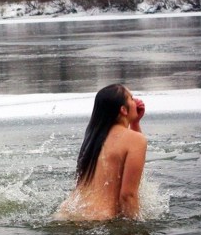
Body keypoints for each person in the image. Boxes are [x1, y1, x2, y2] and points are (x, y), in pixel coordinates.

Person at [54, 84, 147, 221]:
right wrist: (137, 229)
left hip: (68, 214)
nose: (136, 101)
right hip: (99, 221)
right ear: (123, 110)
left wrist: (135, 123)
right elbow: (128, 196)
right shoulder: (135, 140)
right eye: (132, 99)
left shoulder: (93, 137)